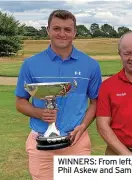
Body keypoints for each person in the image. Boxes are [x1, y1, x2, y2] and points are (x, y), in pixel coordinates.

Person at [15, 10, 102, 180]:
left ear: (75, 33)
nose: (62, 34)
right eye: (56, 28)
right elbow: (20, 101)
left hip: (76, 142)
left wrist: (83, 126)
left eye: (67, 29)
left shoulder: (91, 65)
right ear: (48, 30)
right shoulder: (30, 64)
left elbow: (95, 102)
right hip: (41, 143)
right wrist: (39, 113)